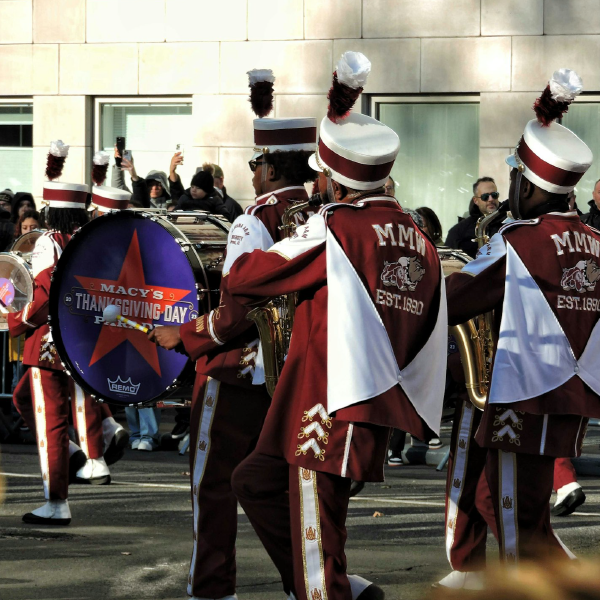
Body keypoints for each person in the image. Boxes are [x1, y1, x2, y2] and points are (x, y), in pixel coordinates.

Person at [224, 54, 447, 600]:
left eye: (320, 172)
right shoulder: (413, 232)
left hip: (326, 402)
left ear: (336, 179)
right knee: (253, 481)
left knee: (316, 537)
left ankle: (330, 589)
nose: (314, 179)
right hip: (360, 396)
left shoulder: (339, 228)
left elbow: (249, 276)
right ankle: (344, 588)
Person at [149, 65, 325, 600]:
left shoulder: (254, 219)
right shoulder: (323, 213)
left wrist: (189, 336)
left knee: (214, 483)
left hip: (239, 372)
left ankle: (211, 585)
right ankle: (313, 583)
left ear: (271, 166)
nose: (251, 173)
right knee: (287, 488)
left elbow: (240, 303)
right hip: (301, 373)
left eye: (256, 162)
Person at [442, 68, 600, 587]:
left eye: (515, 176)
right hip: (574, 396)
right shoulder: (595, 243)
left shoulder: (518, 239)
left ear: (530, 185)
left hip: (523, 395)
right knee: (519, 510)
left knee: (509, 516)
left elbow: (458, 299)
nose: (508, 184)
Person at [7, 140, 96, 524]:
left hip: (47, 343)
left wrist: (13, 322)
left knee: (51, 421)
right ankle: (76, 453)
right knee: (21, 398)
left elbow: (42, 296)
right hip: (81, 341)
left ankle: (56, 501)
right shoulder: (91, 240)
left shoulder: (49, 242)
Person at [445, 178, 502, 258]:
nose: (491, 199)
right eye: (485, 196)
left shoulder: (509, 224)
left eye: (494, 195)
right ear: (475, 200)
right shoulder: (458, 231)